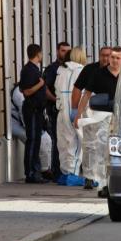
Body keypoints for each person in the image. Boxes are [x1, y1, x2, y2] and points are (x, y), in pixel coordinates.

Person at [75, 47, 121, 189]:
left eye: (116, 57)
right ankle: (90, 177)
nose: (112, 60)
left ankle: (108, 179)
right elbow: (86, 94)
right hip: (98, 114)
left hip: (119, 115)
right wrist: (77, 114)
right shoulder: (97, 73)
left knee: (113, 148)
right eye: (110, 57)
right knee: (93, 146)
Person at [55, 47, 88, 185]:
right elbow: (85, 92)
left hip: (61, 109)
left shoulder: (60, 71)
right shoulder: (81, 71)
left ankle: (65, 173)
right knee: (76, 143)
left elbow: (56, 89)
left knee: (63, 142)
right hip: (75, 108)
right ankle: (73, 174)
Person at [18, 44, 48, 183]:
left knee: (36, 141)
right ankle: (31, 172)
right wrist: (40, 84)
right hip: (32, 109)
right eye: (41, 53)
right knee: (33, 140)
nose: (42, 56)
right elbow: (27, 91)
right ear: (38, 54)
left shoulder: (33, 69)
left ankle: (35, 171)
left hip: (37, 110)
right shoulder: (29, 70)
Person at [42, 41, 71, 181]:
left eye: (67, 51)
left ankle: (66, 170)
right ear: (57, 51)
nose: (65, 53)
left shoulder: (70, 68)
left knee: (67, 141)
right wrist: (56, 100)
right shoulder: (52, 69)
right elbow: (46, 89)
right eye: (63, 50)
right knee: (56, 140)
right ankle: (56, 171)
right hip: (55, 109)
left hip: (67, 109)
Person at [72, 46, 111, 110]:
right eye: (102, 55)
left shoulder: (117, 70)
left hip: (112, 107)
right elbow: (77, 88)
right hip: (92, 109)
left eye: (108, 55)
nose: (105, 58)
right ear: (99, 56)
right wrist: (74, 109)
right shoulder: (89, 69)